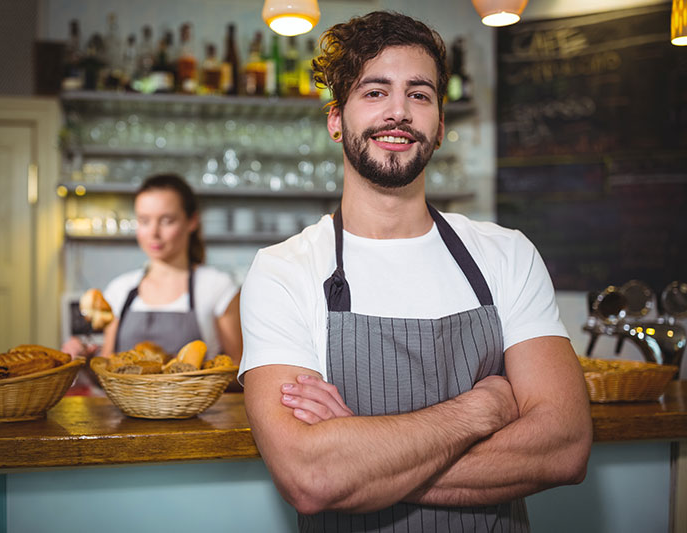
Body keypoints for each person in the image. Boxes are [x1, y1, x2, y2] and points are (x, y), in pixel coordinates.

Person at [238, 11, 593, 532]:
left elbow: (565, 446)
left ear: (441, 125)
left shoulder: (506, 254)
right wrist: (480, 411)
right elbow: (311, 477)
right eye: (375, 92)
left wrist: (362, 453)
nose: (399, 112)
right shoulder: (283, 270)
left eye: (420, 94)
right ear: (336, 119)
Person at [63, 173, 243, 391]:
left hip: (196, 417)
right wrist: (81, 362)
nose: (154, 233)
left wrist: (191, 378)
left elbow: (241, 370)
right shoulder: (120, 289)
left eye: (167, 220)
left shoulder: (217, 287)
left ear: (192, 221)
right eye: (144, 221)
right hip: (127, 419)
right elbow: (107, 375)